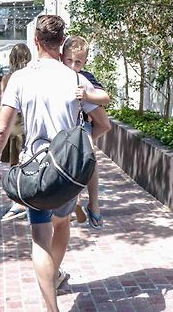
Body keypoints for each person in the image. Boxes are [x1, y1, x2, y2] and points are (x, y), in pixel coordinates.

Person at [0, 15, 111, 312]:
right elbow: (102, 121)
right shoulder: (75, 78)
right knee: (62, 224)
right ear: (61, 43)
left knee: (40, 238)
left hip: (35, 172)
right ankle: (54, 276)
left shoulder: (20, 78)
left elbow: (1, 129)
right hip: (67, 171)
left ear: (36, 41)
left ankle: (51, 307)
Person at [61, 36, 110, 229]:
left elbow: (105, 98)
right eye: (69, 60)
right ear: (61, 57)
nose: (73, 66)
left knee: (90, 162)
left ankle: (93, 202)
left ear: (85, 62)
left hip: (82, 126)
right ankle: (76, 202)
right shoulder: (57, 75)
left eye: (78, 62)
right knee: (73, 165)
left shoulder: (86, 78)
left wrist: (87, 95)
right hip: (65, 129)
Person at [0, 43, 32, 222]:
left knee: (14, 167)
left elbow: (4, 105)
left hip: (13, 126)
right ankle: (27, 201)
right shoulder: (33, 77)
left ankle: (18, 201)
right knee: (29, 166)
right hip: (28, 125)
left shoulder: (7, 78)